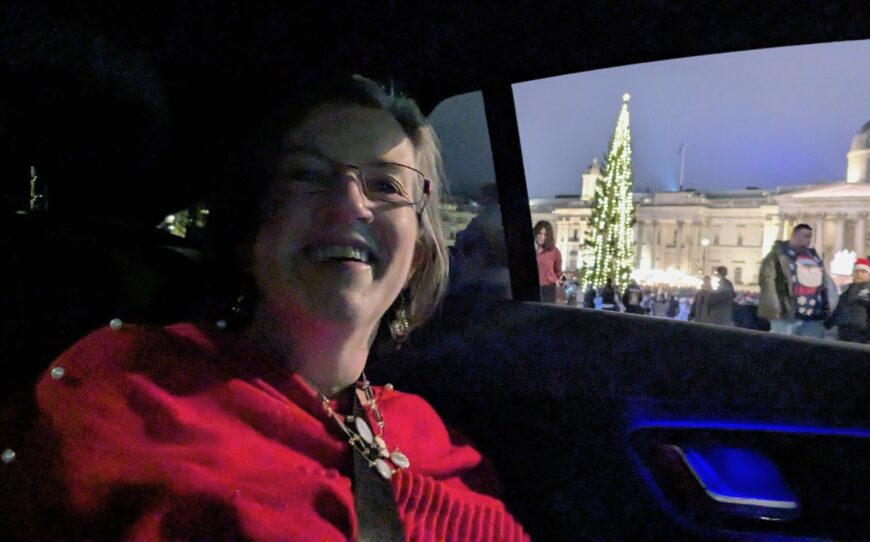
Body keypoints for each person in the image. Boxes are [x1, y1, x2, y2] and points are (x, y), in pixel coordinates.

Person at [11, 75, 528, 540]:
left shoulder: (436, 441)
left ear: (416, 256)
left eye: (387, 185)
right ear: (249, 232)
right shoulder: (129, 384)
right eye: (308, 174)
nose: (350, 204)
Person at [757, 224, 831, 337]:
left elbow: (823, 284)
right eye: (804, 236)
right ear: (794, 236)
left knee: (809, 346)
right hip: (786, 314)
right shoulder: (777, 255)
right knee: (783, 344)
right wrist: (773, 308)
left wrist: (826, 308)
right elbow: (767, 281)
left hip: (813, 316)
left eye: (810, 237)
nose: (808, 240)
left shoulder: (813, 257)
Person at [824, 258, 870, 346]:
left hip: (864, 337)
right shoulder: (847, 291)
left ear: (869, 274)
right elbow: (839, 310)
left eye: (863, 272)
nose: (859, 274)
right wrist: (827, 323)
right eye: (857, 272)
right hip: (844, 335)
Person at [534, 220, 562, 304]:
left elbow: (558, 272)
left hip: (547, 290)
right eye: (539, 233)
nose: (542, 237)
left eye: (545, 235)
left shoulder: (554, 252)